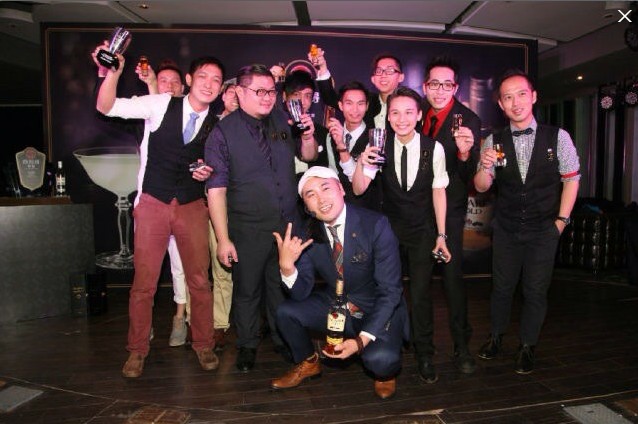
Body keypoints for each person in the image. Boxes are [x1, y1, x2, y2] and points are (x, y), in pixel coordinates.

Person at [97, 53, 225, 377]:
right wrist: (114, 73)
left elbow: (218, 169)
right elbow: (106, 107)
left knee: (200, 281)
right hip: (153, 202)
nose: (209, 84)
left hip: (192, 206)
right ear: (190, 80)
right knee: (144, 284)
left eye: (216, 80)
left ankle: (204, 343)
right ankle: (137, 350)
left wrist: (207, 172)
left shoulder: (217, 125)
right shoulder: (161, 104)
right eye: (204, 76)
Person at [205, 64, 318, 372]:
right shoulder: (222, 133)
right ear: (239, 93)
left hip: (286, 224)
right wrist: (223, 239)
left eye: (271, 91)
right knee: (247, 290)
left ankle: (283, 339)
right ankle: (247, 344)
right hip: (247, 227)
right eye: (259, 91)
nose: (268, 97)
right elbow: (216, 190)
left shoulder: (285, 119)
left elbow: (308, 155)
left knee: (280, 287)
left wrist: (308, 135)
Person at [474, 69, 580, 374]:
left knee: (535, 291)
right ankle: (496, 338)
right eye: (508, 97)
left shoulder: (558, 137)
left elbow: (572, 179)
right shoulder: (493, 140)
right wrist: (483, 167)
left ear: (533, 97)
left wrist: (561, 221)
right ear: (501, 104)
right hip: (506, 228)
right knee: (501, 288)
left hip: (544, 229)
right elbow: (481, 186)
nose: (515, 102)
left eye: (521, 94)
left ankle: (527, 346)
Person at [271, 166, 409, 399]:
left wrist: (360, 342)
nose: (321, 199)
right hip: (336, 304)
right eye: (311, 194)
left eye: (325, 188)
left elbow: (390, 291)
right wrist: (287, 268)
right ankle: (308, 362)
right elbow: (301, 293)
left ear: (342, 189)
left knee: (381, 361)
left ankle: (384, 373)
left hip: (376, 306)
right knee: (286, 312)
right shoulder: (306, 233)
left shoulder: (375, 224)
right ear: (306, 205)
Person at [91, 44, 190, 348]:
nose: (169, 87)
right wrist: (108, 72)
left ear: (185, 87)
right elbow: (107, 107)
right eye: (164, 81)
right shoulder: (146, 111)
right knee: (146, 272)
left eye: (175, 83)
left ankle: (180, 317)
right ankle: (142, 328)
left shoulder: (194, 117)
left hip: (184, 205)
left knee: (182, 267)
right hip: (150, 204)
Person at [352, 87, 450, 384]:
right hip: (389, 232)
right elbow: (358, 189)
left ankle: (424, 353)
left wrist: (442, 235)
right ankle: (386, 346)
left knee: (420, 295)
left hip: (422, 231)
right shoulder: (379, 145)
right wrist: (362, 162)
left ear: (419, 115)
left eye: (409, 112)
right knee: (388, 293)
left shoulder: (434, 148)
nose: (402, 118)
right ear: (388, 117)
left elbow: (438, 192)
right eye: (395, 112)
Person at [420, 56, 482, 374]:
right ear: (425, 86)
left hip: (451, 210)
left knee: (452, 279)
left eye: (447, 84)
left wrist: (465, 152)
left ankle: (461, 345)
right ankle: (422, 347)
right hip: (418, 211)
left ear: (455, 88)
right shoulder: (415, 113)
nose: (440, 90)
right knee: (417, 280)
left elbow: (470, 175)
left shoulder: (468, 119)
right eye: (435, 83)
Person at [209, 77, 239, 350]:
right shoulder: (209, 123)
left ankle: (221, 323)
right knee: (205, 266)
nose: (235, 98)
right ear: (223, 95)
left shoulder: (253, 126)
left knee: (227, 269)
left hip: (241, 206)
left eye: (239, 93)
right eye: (231, 92)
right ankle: (199, 322)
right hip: (208, 203)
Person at [311, 47, 404, 130]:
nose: (383, 75)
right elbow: (330, 98)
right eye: (379, 71)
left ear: (401, 77)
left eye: (390, 70)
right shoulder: (367, 100)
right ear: (373, 79)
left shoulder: (409, 103)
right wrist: (322, 67)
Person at [326, 81, 381, 211]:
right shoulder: (331, 136)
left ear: (367, 106)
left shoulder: (376, 139)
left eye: (360, 104)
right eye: (349, 103)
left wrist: (341, 146)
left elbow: (356, 180)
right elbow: (333, 172)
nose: (355, 110)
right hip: (341, 208)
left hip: (368, 209)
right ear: (340, 105)